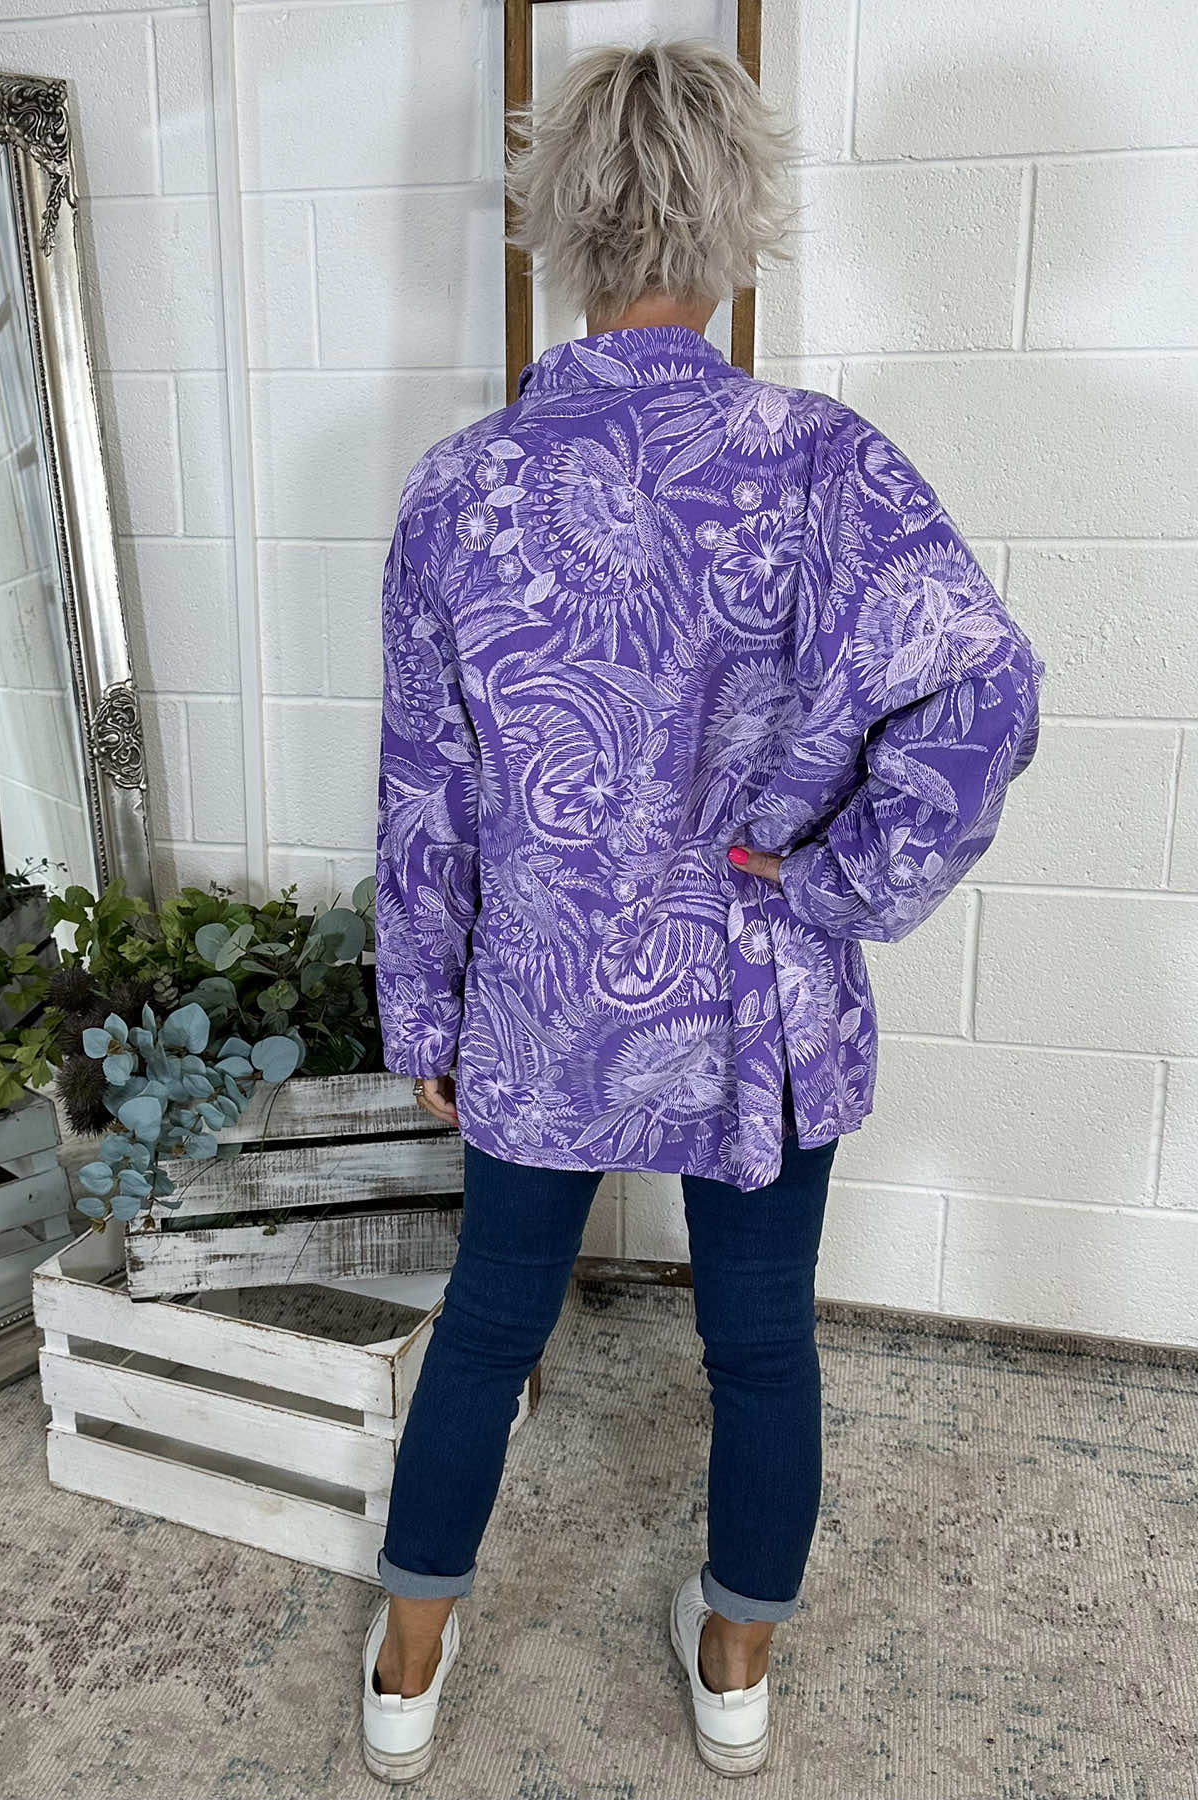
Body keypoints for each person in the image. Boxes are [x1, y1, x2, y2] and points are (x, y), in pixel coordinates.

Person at [362, 36, 1045, 1784]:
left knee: (489, 1322)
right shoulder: (824, 467)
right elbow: (983, 695)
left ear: (559, 224)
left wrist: (422, 1009)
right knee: (759, 1344)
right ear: (738, 222)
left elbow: (426, 787)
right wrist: (835, 884)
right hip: (758, 996)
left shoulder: (461, 489)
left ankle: (409, 1664)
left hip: (541, 998)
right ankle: (736, 1664)